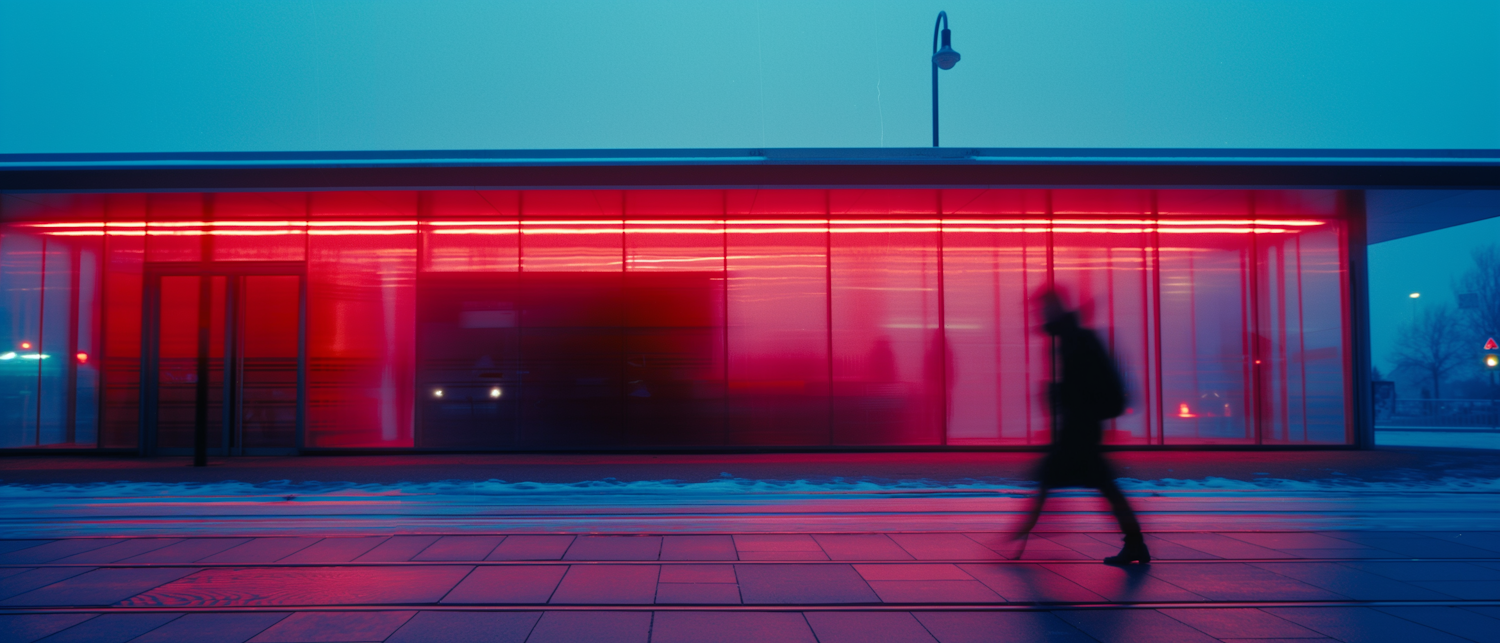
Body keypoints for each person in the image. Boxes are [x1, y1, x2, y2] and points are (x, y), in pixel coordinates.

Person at [1011, 288, 1149, 566]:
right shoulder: (1069, 337)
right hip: (1081, 426)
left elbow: (1082, 385)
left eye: (1042, 310)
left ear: (1053, 309)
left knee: (1062, 480)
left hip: (1080, 428)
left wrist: (1059, 393)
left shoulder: (1073, 340)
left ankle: (1019, 536)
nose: (1038, 315)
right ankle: (1134, 543)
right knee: (1097, 485)